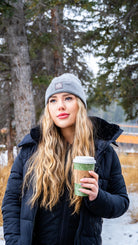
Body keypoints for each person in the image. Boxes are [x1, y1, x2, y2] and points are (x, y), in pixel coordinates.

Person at [2, 73, 129, 245]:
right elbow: (11, 203)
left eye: (68, 98)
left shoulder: (103, 151)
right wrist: (15, 242)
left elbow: (121, 202)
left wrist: (98, 197)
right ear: (48, 109)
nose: (60, 106)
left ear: (80, 105)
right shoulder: (31, 150)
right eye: (53, 100)